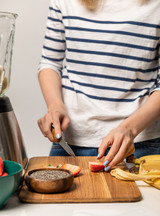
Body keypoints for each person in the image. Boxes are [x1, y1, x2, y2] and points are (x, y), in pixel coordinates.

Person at [38, 0, 160, 171]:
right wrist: (55, 106)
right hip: (70, 143)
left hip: (140, 144)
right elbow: (50, 63)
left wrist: (129, 129)